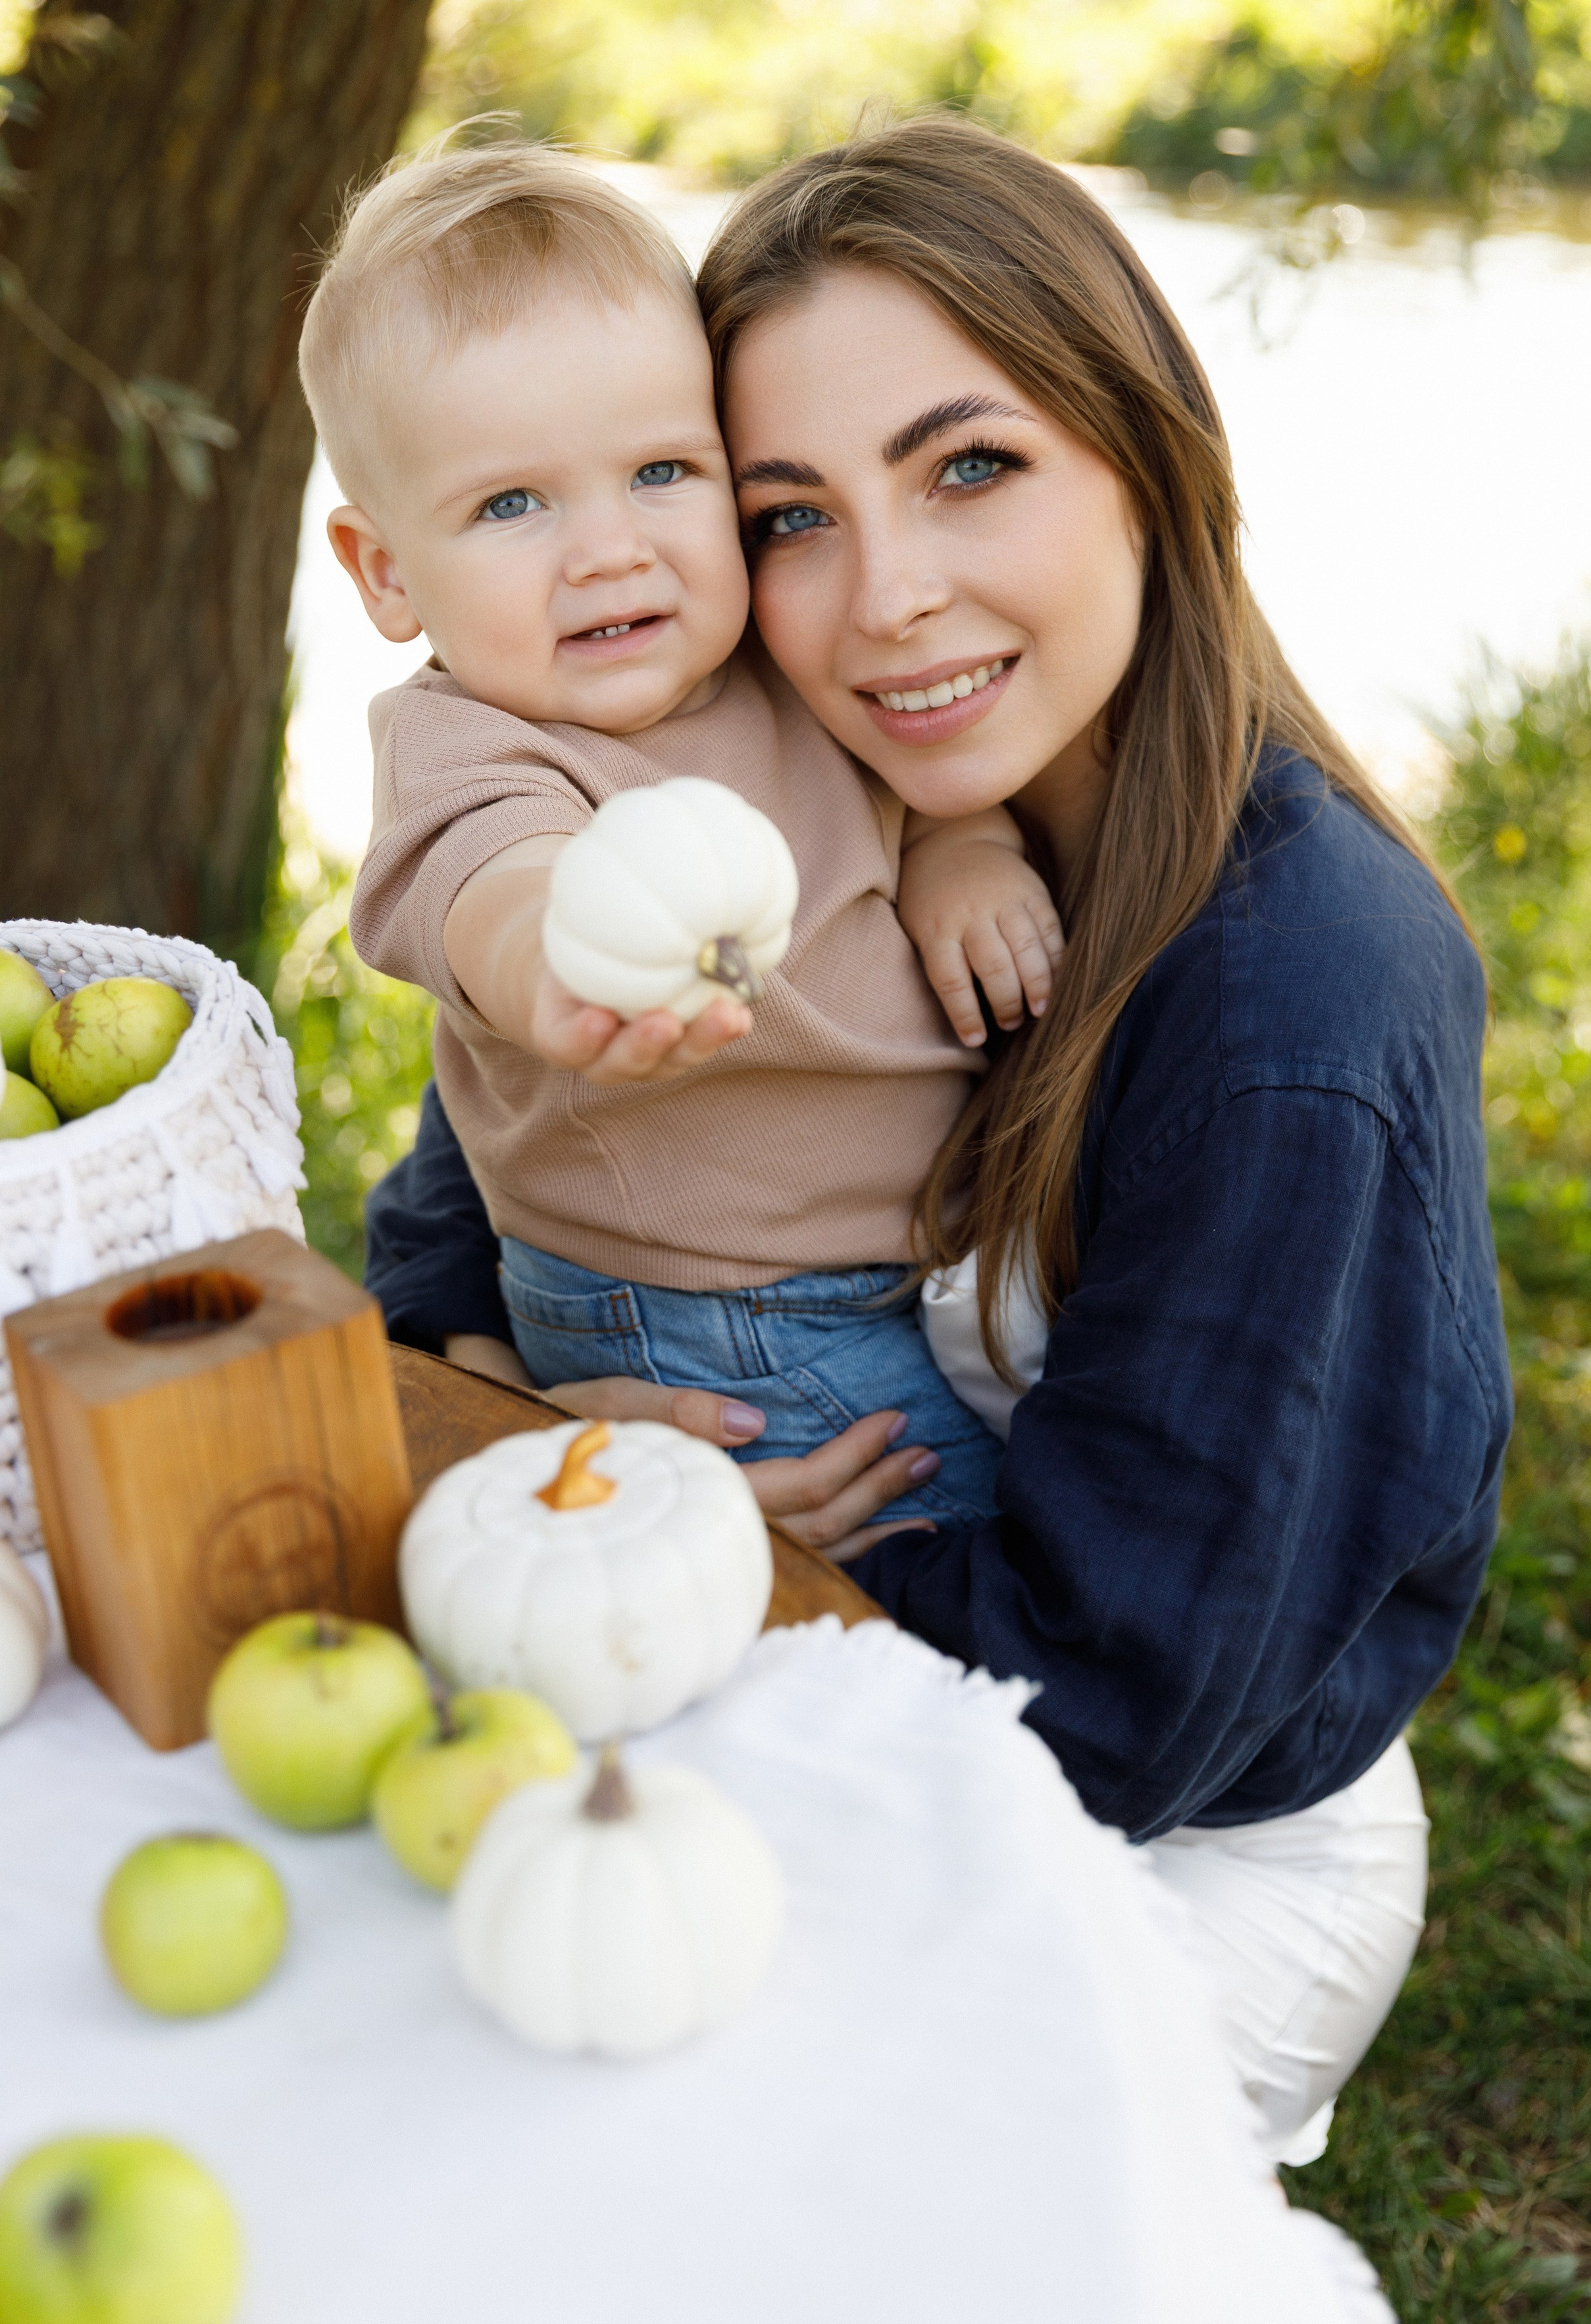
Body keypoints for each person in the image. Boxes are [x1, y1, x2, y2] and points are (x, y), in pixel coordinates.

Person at [364, 118, 1512, 2165]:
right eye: (790, 513)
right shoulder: (776, 788)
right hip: (863, 1655)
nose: (885, 600)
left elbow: (1117, 1707)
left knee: (618, 2129)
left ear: (1147, 454)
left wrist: (715, 1559)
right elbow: (485, 1171)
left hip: (1165, 1838)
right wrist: (509, 1414)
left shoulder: (1294, 1011)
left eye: (970, 467)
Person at [300, 138, 1072, 1531]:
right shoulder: (474, 746)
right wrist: (563, 964)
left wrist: (967, 854)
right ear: (387, 571)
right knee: (952, 1541)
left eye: (661, 471)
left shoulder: (771, 652)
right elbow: (499, 886)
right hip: (706, 1315)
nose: (610, 549)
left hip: (908, 1257)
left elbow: (911, 791)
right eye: (512, 504)